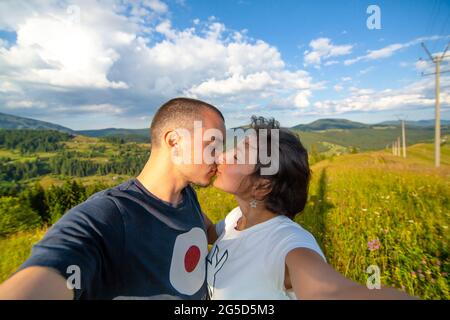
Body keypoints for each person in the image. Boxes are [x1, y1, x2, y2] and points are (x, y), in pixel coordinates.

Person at [0, 97, 226, 300]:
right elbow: (52, 268)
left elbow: (205, 230)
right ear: (174, 141)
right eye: (212, 145)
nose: (220, 156)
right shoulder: (109, 214)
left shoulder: (187, 196)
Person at [203, 116, 415, 300]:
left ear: (262, 185)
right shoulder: (237, 217)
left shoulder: (288, 243)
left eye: (237, 156)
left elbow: (329, 293)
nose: (221, 157)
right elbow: (209, 233)